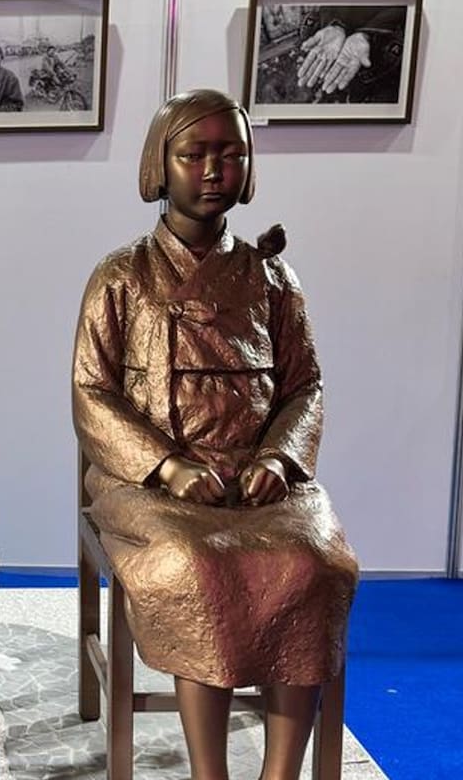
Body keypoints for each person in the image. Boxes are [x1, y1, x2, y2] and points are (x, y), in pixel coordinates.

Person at [72, 89, 358, 780]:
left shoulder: (272, 277)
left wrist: (279, 458)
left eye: (230, 155)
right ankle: (211, 772)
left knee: (314, 564)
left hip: (262, 480)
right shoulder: (120, 276)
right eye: (193, 154)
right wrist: (168, 467)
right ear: (159, 164)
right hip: (151, 485)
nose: (211, 171)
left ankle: (280, 772)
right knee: (197, 567)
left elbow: (305, 386)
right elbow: (91, 391)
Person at [296, 6, 406, 100]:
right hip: (343, 31)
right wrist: (336, 24)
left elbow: (404, 2)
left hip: (386, 47)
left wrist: (367, 33)